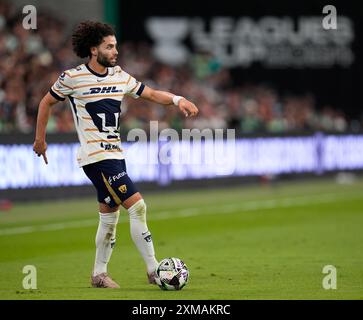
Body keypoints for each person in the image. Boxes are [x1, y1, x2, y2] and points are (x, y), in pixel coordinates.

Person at [33, 21, 198, 288]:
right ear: (93, 49)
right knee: (138, 206)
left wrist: (179, 99)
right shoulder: (72, 77)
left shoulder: (120, 76)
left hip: (115, 155)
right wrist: (40, 139)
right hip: (96, 157)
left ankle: (99, 274)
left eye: (116, 46)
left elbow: (152, 94)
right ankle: (154, 270)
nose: (115, 51)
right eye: (109, 46)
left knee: (110, 214)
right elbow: (46, 102)